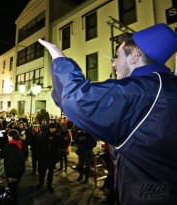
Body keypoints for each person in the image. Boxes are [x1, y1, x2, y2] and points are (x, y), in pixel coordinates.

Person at [39, 23, 177, 204]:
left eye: (117, 56)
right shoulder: (169, 85)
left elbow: (74, 98)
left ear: (135, 57)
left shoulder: (139, 92)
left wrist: (59, 58)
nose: (113, 63)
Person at [0, 129, 25, 205]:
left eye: (8, 136)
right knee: (15, 184)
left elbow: (1, 154)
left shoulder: (9, 145)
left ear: (11, 137)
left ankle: (13, 201)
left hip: (12, 169)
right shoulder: (20, 143)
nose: (8, 137)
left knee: (12, 187)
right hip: (20, 168)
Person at [35, 123, 61, 192]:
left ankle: (49, 185)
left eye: (54, 128)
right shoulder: (45, 134)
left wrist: (54, 139)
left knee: (50, 172)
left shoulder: (58, 135)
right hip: (44, 156)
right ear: (49, 128)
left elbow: (60, 144)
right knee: (42, 171)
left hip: (52, 157)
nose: (52, 129)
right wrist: (47, 138)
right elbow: (39, 141)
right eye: (51, 128)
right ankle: (41, 183)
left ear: (55, 128)